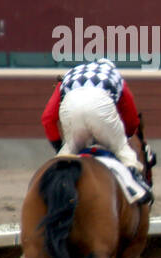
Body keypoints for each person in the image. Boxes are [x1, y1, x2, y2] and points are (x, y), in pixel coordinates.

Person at [41, 58, 152, 202]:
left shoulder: (69, 75)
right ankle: (136, 186)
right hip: (100, 106)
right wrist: (123, 138)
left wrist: (59, 147)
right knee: (124, 152)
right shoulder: (114, 75)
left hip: (71, 107)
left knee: (65, 157)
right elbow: (131, 119)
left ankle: (50, 193)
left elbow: (47, 118)